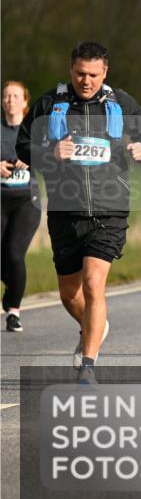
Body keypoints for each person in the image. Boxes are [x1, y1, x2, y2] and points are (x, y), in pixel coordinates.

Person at [16, 42, 141, 383]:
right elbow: (23, 145)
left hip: (110, 210)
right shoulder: (50, 104)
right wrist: (50, 151)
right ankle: (95, 325)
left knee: (94, 284)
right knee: (70, 294)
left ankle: (88, 366)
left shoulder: (120, 102)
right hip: (65, 211)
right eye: (80, 73)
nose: (86, 80)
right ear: (71, 70)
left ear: (104, 72)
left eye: (93, 74)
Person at [2, 81, 41, 332]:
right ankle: (14, 286)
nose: (11, 100)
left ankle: (13, 310)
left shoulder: (34, 132)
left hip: (27, 200)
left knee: (14, 254)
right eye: (6, 96)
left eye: (16, 96)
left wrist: (32, 158)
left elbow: (53, 161)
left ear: (25, 102)